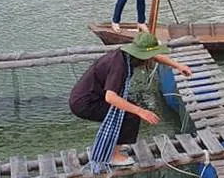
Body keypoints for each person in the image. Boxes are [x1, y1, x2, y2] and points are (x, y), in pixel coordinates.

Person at [69, 32, 192, 170]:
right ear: (141, 57)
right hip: (85, 103)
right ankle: (113, 156)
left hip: (90, 95)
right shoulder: (120, 66)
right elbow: (110, 97)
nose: (151, 60)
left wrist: (178, 66)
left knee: (130, 107)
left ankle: (118, 143)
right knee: (130, 114)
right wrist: (141, 111)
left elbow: (154, 56)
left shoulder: (126, 55)